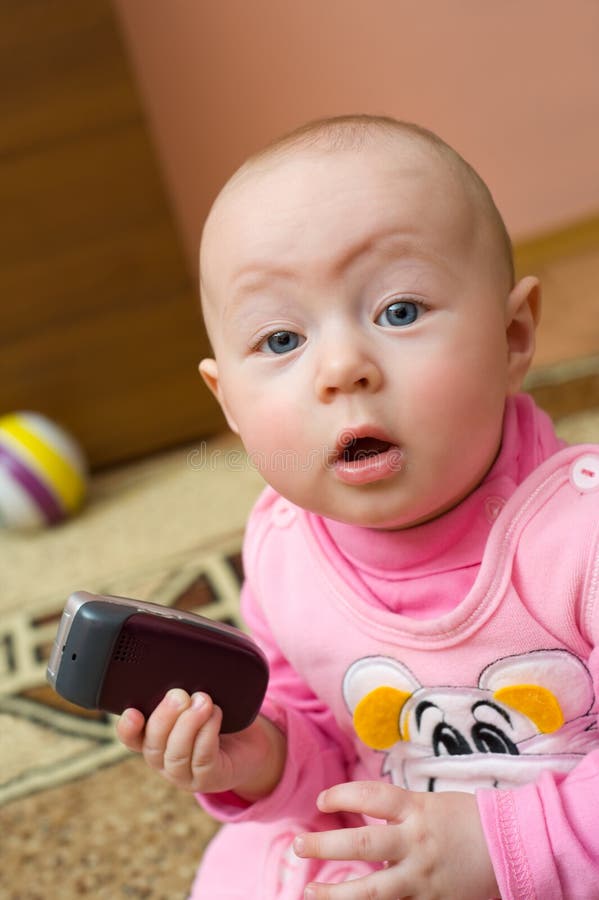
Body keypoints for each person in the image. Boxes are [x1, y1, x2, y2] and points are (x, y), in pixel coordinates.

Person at [117, 115, 599, 899]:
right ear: (228, 403)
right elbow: (327, 748)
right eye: (279, 341)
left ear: (512, 337)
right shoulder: (283, 548)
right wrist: (260, 752)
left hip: (566, 846)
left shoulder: (583, 534)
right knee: (245, 865)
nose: (341, 368)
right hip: (401, 845)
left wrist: (500, 848)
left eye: (398, 312)